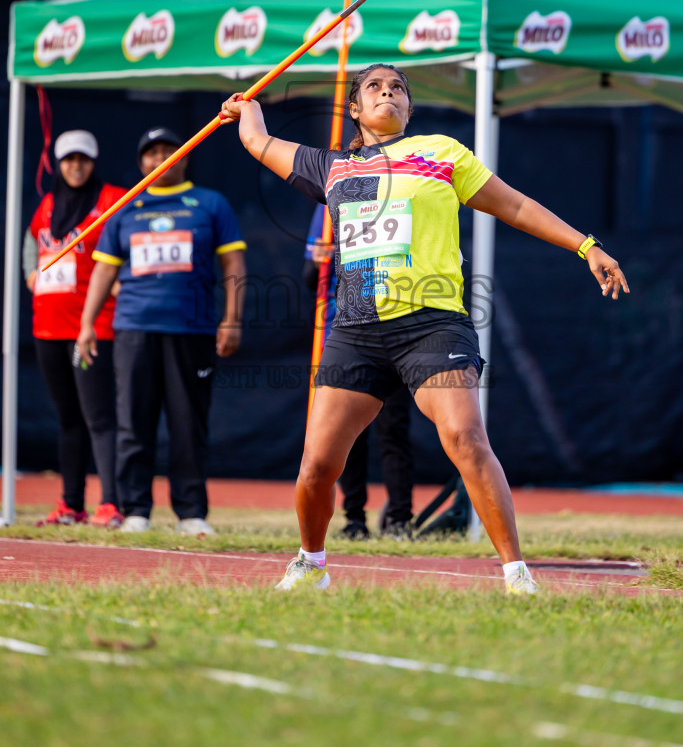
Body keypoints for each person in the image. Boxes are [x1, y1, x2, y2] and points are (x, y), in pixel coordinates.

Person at [220, 65, 629, 594]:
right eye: (375, 87)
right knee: (318, 464)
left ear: (409, 110)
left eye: (398, 89)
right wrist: (244, 110)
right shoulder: (332, 166)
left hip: (431, 324)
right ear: (354, 109)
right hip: (357, 330)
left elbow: (517, 205)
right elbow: (257, 141)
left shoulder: (442, 153)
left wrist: (585, 246)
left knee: (464, 436)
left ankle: (516, 573)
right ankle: (311, 563)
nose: (388, 93)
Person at [76, 127, 246, 535]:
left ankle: (191, 513)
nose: (161, 158)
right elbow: (104, 270)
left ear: (184, 156)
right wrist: (86, 324)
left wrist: (232, 318)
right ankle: (135, 509)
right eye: (152, 153)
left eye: (169, 150)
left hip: (193, 331)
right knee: (133, 420)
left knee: (188, 422)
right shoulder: (124, 208)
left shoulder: (210, 204)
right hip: (134, 329)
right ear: (141, 162)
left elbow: (234, 266)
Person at [24, 129, 126, 528]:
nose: (76, 166)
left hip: (91, 327)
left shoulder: (110, 200)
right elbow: (31, 240)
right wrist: (31, 275)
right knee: (68, 417)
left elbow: (130, 241)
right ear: (60, 164)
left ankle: (110, 504)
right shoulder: (48, 204)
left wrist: (125, 278)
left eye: (83, 159)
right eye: (69, 159)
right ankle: (71, 505)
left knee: (98, 416)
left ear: (93, 162)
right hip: (47, 328)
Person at [303, 202, 414, 539]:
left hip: (396, 330)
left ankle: (399, 519)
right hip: (347, 335)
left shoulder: (402, 198)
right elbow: (310, 277)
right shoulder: (328, 208)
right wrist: (322, 257)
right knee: (346, 435)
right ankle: (354, 519)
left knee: (393, 430)